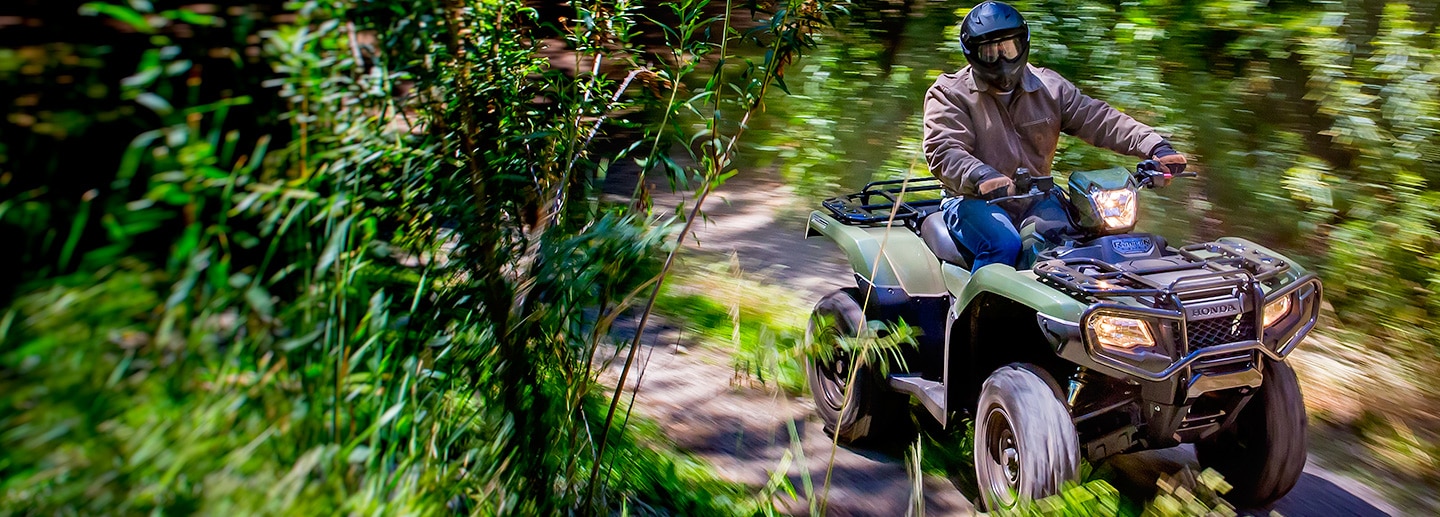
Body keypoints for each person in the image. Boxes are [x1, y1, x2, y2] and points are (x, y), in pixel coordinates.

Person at [923, 1, 1189, 271]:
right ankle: (976, 312)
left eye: (1008, 47)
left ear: (1022, 45)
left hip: (1036, 197)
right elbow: (943, 149)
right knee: (1003, 244)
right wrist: (980, 175)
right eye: (990, 51)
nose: (1001, 58)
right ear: (973, 54)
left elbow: (1098, 118)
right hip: (972, 201)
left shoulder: (1049, 87)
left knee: (1078, 238)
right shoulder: (949, 93)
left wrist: (1155, 146)